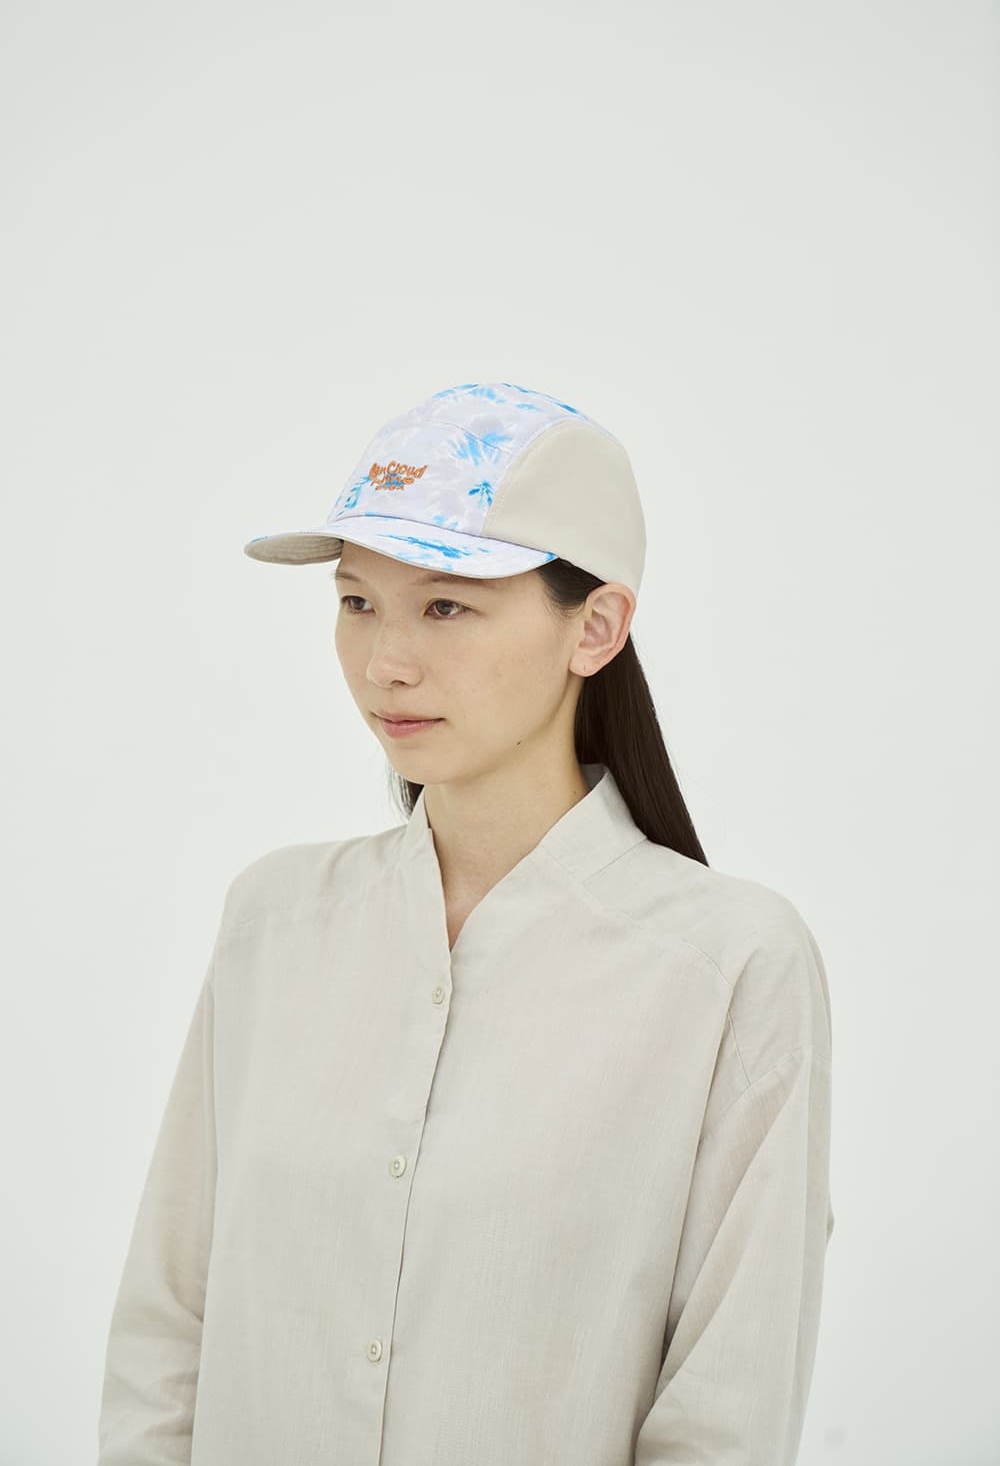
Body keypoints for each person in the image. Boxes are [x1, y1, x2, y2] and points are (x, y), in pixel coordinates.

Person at [96, 380, 835, 1465]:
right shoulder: (276, 922)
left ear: (595, 627)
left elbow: (726, 1410)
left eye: (445, 606)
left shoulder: (728, 966)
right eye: (357, 602)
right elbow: (168, 1330)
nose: (384, 663)